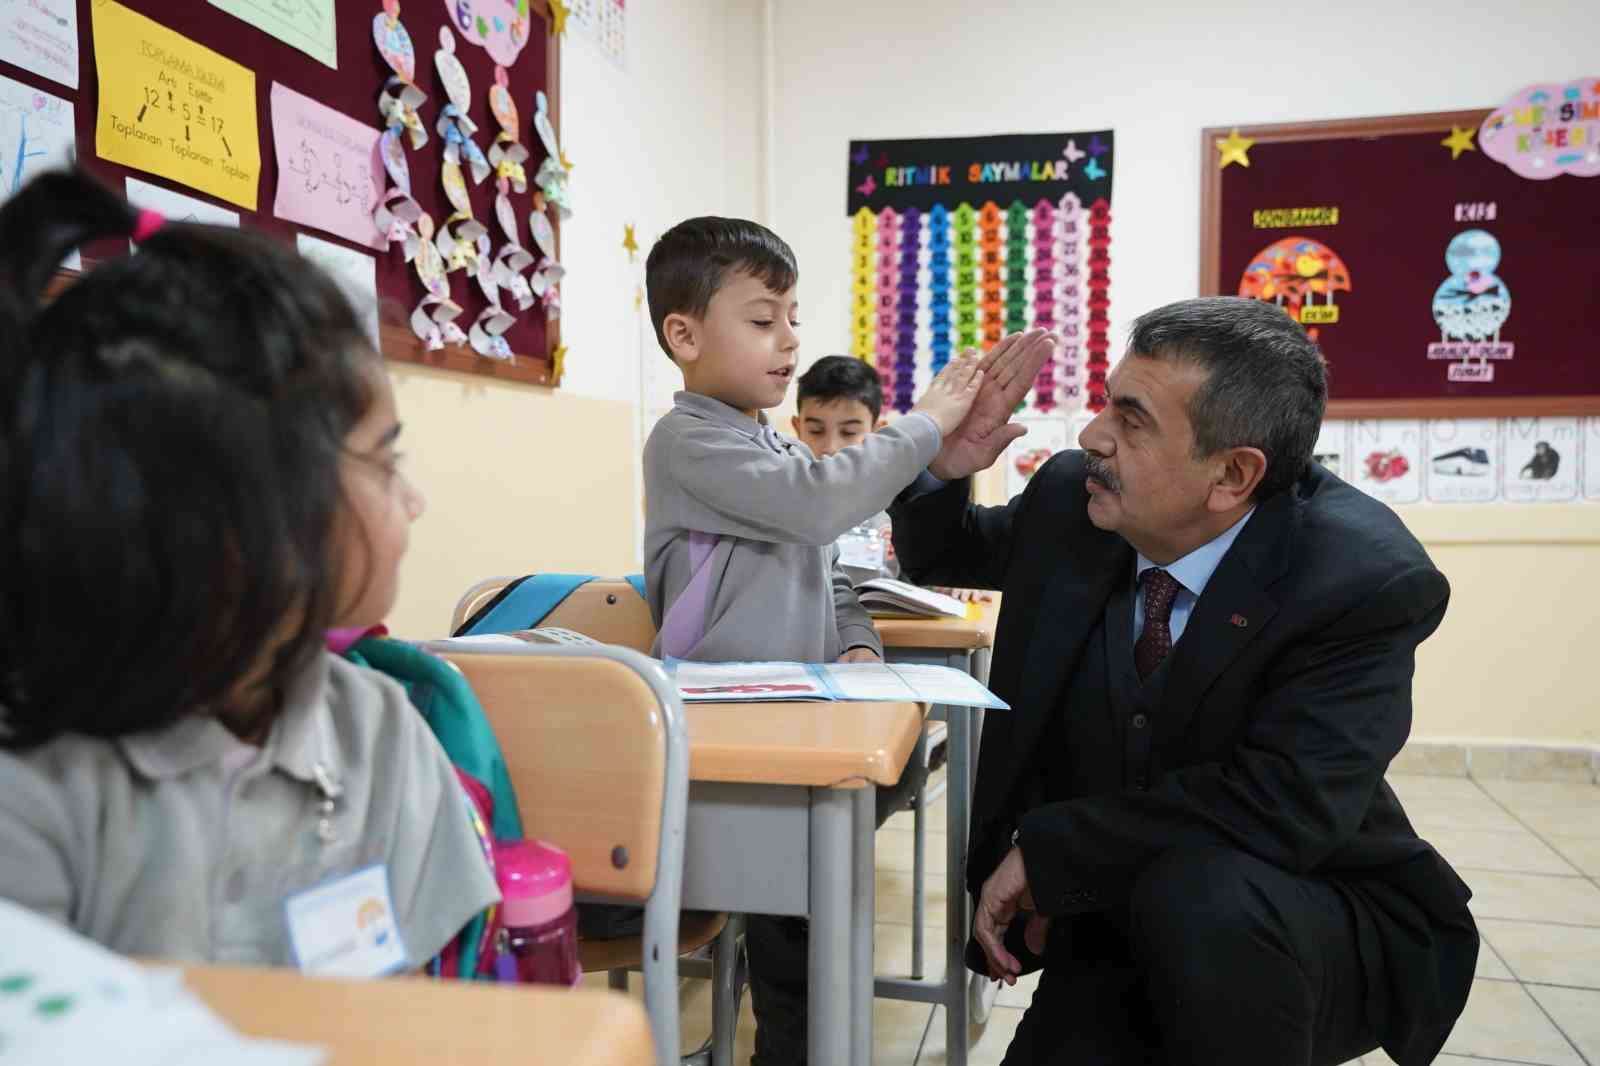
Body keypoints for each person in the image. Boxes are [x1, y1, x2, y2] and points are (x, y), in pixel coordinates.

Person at [890, 296, 1478, 1066]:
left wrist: (1051, 852)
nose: (1093, 434)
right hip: (1117, 914)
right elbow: (948, 553)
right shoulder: (1076, 500)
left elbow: (1286, 807)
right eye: (1107, 402)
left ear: (1233, 474)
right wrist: (941, 460)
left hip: (1293, 912)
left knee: (1205, 898)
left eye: (1131, 420)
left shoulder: (1359, 577)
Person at [0, 169, 498, 972]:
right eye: (384, 459)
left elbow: (428, 1026)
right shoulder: (38, 782)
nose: (413, 501)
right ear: (233, 513)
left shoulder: (381, 734)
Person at [640, 215, 1050, 1064]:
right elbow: (822, 506)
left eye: (793, 317)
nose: (788, 340)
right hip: (727, 740)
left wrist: (856, 643)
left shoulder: (755, 437)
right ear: (683, 335)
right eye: (763, 320)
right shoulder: (688, 441)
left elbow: (824, 561)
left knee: (831, 887)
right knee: (804, 934)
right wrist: (928, 423)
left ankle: (806, 1027)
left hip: (790, 718)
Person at [791, 354, 992, 604]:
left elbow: (930, 572)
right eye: (816, 431)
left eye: (849, 432)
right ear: (797, 428)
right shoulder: (786, 497)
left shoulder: (905, 501)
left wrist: (957, 585)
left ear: (878, 430)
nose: (831, 447)